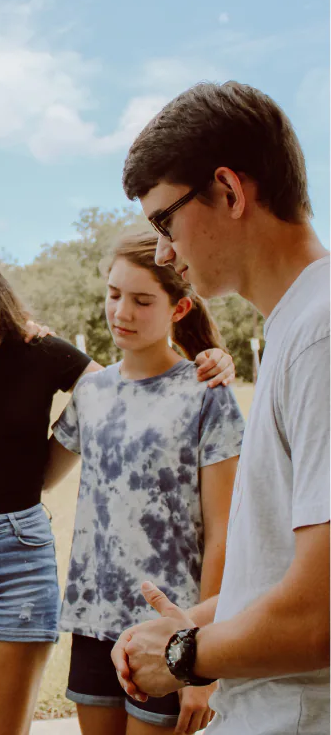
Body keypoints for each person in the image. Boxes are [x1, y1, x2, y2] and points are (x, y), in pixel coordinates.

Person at [0, 255, 235, 735]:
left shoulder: (51, 354)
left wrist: (214, 357)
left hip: (106, 590)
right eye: (114, 295)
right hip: (29, 592)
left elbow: (223, 529)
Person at [110, 81, 330, 734]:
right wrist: (196, 620)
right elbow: (286, 578)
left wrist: (183, 654)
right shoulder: (298, 328)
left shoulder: (320, 336)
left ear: (230, 192)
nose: (162, 253)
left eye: (163, 220)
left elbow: (320, 615)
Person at [44, 231, 244, 735]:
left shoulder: (206, 394)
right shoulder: (91, 391)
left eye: (141, 300)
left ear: (179, 309)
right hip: (93, 622)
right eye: (114, 295)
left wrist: (201, 654)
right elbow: (35, 477)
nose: (122, 312)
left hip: (170, 629)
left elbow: (224, 532)